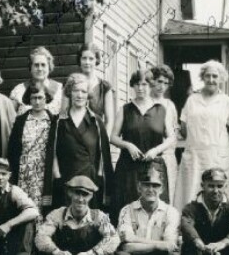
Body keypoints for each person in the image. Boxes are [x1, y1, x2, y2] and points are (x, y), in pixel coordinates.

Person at [111, 70, 176, 222]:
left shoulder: (161, 109)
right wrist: (128, 145)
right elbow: (113, 137)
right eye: (137, 84)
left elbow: (171, 137)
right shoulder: (125, 109)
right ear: (133, 86)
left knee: (153, 208)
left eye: (145, 84)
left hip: (153, 167)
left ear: (151, 85)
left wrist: (156, 150)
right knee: (127, 209)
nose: (141, 88)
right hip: (128, 168)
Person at [174, 60, 229, 210]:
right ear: (202, 77)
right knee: (191, 191)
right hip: (195, 154)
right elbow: (183, 128)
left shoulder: (227, 102)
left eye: (215, 76)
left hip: (218, 155)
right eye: (207, 76)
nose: (211, 80)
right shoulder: (192, 100)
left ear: (221, 78)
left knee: (218, 192)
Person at [53, 73, 113, 210]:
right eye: (76, 91)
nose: (79, 95)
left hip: (90, 179)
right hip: (66, 178)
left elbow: (103, 154)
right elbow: (53, 152)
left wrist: (98, 177)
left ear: (88, 95)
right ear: (69, 93)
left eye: (83, 91)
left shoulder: (96, 122)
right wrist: (57, 177)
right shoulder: (59, 121)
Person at [8, 85, 58, 215]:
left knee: (42, 208)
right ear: (29, 100)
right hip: (23, 171)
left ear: (46, 98)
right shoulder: (20, 121)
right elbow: (12, 149)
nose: (37, 102)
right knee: (24, 205)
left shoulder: (53, 122)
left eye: (40, 97)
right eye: (33, 98)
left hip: (43, 172)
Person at [0, 158, 39, 255]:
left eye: (3, 174)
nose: (0, 178)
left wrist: (9, 225)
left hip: (11, 236)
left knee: (28, 222)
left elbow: (34, 211)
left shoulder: (14, 191)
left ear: (9, 175)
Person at [61, 43, 115, 135]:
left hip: (96, 138)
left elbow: (109, 120)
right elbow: (63, 113)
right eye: (84, 58)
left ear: (96, 60)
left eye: (91, 59)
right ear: (79, 60)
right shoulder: (70, 82)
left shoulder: (105, 87)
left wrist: (104, 141)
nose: (87, 62)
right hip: (73, 136)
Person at [148, 65, 179, 202]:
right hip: (147, 155)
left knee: (167, 196)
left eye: (166, 83)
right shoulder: (144, 102)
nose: (162, 86)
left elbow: (173, 135)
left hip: (165, 157)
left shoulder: (169, 105)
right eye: (159, 81)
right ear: (152, 81)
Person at [10, 47, 63, 115]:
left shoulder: (60, 90)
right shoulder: (19, 91)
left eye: (43, 65)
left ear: (49, 67)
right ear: (30, 67)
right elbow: (9, 119)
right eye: (36, 65)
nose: (40, 68)